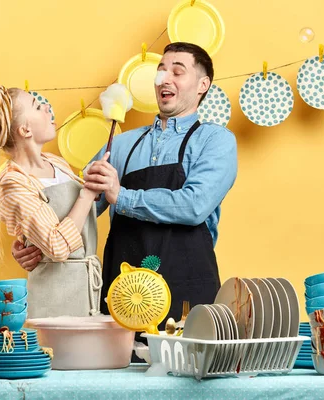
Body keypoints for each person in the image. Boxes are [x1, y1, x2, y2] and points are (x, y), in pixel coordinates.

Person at [13, 42, 238, 326]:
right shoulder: (119, 145)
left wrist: (121, 195)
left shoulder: (215, 141)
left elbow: (194, 205)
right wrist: (32, 238)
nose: (164, 79)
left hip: (188, 292)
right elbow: (78, 208)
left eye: (177, 72)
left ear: (202, 84)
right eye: (161, 71)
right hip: (121, 294)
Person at [0, 86, 106, 319]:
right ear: (25, 129)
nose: (47, 107)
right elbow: (57, 247)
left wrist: (98, 189)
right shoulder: (13, 182)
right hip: (53, 301)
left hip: (86, 292)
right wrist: (87, 194)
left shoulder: (55, 162)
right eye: (36, 105)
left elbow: (77, 219)